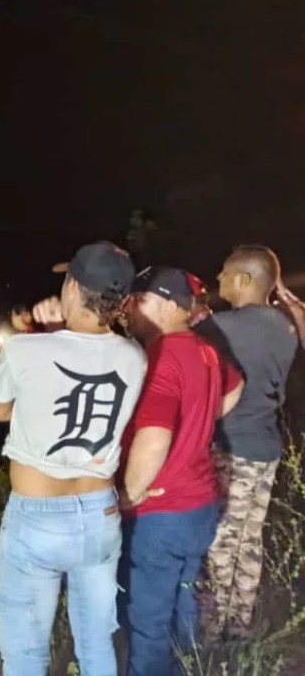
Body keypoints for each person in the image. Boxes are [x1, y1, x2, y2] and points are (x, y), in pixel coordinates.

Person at [0, 241, 147, 676]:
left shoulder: (25, 349)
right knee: (96, 646)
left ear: (72, 287)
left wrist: (43, 331)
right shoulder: (134, 357)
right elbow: (86, 352)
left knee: (26, 654)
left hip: (35, 516)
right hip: (99, 514)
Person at [119, 267, 244, 676]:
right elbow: (235, 386)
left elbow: (154, 439)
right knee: (185, 597)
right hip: (200, 504)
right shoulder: (204, 349)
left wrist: (128, 494)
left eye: (141, 300)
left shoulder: (162, 356)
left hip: (163, 509)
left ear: (170, 305)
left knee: (150, 618)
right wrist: (199, 423)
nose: (131, 308)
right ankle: (189, 667)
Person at [196, 245, 297, 639]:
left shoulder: (220, 328)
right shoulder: (286, 325)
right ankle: (239, 628)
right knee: (248, 541)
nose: (218, 278)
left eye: (224, 272)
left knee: (220, 541)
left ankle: (211, 634)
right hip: (265, 446)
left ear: (243, 279)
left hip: (231, 447)